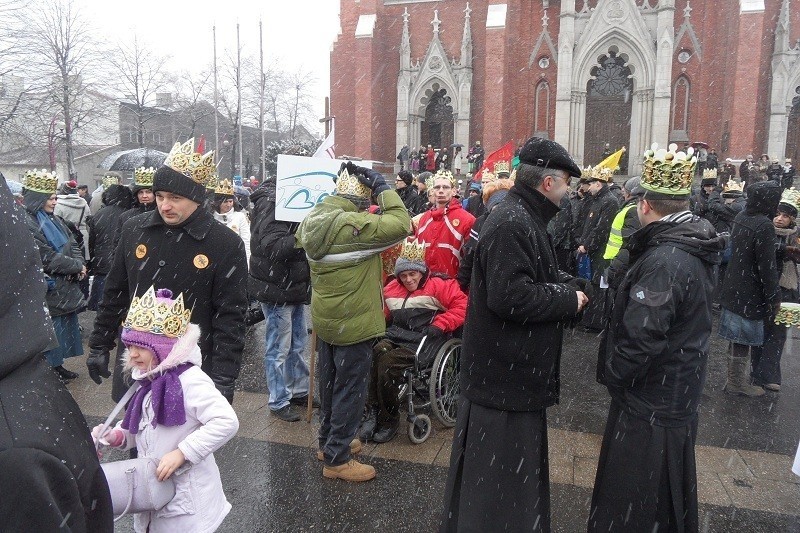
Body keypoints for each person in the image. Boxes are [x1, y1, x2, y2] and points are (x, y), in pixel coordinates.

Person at [440, 137, 588, 532]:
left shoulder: (519, 215)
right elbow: (511, 296)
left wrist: (565, 282)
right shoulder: (513, 220)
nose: (569, 192)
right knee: (497, 493)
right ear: (547, 183)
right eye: (566, 184)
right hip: (504, 378)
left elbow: (520, 273)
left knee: (501, 487)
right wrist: (567, 301)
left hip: (505, 376)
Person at [588, 143, 726, 532]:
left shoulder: (664, 260)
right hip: (675, 392)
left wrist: (615, 374)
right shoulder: (690, 243)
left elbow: (641, 338)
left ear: (644, 206)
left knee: (635, 501)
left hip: (651, 401)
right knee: (663, 501)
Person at [87, 138, 248, 405]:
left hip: (189, 368)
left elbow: (230, 317)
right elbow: (116, 293)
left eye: (175, 198)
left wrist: (224, 378)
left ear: (197, 198)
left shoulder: (225, 243)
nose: (164, 206)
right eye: (160, 196)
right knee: (136, 439)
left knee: (181, 444)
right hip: (137, 363)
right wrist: (99, 343)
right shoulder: (134, 229)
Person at [0, 173, 113, 532]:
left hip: (62, 287)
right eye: (46, 196)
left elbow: (68, 244)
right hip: (57, 286)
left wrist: (76, 262)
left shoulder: (18, 455)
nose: (52, 200)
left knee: (62, 336)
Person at [297, 162, 410, 482]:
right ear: (362, 204)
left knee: (330, 383)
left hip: (327, 318)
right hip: (354, 320)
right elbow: (401, 223)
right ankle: (338, 458)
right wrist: (383, 187)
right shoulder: (355, 227)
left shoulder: (314, 219)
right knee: (351, 390)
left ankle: (329, 441)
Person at [91, 287, 239, 532]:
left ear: (163, 348)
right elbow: (142, 425)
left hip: (187, 503)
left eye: (142, 346)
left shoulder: (190, 381)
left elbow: (226, 421)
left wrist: (182, 453)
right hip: (154, 497)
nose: (133, 353)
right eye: (129, 346)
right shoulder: (148, 380)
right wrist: (118, 435)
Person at [360, 238, 467, 443]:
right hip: (398, 337)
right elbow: (382, 316)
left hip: (426, 341)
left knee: (387, 364)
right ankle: (373, 411)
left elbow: (462, 306)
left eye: (412, 274)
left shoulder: (440, 285)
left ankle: (389, 420)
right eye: (403, 275)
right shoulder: (392, 289)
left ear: (421, 271)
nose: (408, 279)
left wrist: (440, 325)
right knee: (375, 352)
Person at [249, 177, 313, 423]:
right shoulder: (271, 202)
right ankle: (278, 399)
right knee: (278, 347)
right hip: (277, 286)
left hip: (293, 285)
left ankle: (298, 391)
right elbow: (274, 246)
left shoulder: (294, 198)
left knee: (297, 342)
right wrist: (306, 235)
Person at [718, 180, 783, 397]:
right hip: (750, 290)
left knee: (736, 337)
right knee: (743, 338)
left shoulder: (742, 216)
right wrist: (774, 296)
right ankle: (737, 383)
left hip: (734, 284)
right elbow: (767, 266)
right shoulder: (763, 225)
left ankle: (733, 380)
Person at [22, 169, 87, 383]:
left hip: (63, 284)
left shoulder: (54, 219)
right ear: (38, 199)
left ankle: (57, 366)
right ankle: (49, 370)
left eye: (54, 197)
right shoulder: (28, 223)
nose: (54, 201)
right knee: (51, 332)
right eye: (50, 198)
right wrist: (76, 266)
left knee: (62, 329)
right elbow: (46, 257)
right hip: (49, 286)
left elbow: (73, 243)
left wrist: (80, 264)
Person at [749, 188, 800, 391]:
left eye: (785, 216)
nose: (779, 219)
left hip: (787, 289)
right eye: (778, 214)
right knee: (760, 332)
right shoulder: (765, 230)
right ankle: (757, 373)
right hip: (764, 288)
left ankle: (768, 375)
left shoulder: (795, 237)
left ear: (792, 219)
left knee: (777, 335)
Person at [576, 166, 620, 331]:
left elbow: (602, 229)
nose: (590, 186)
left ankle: (595, 322)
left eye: (592, 183)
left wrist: (587, 245)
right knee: (591, 284)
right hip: (592, 251)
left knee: (598, 287)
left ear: (599, 184)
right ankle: (589, 319)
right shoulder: (598, 200)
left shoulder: (609, 201)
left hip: (601, 253)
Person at [458, 171, 515, 291]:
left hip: (512, 286)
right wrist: (460, 285)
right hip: (484, 284)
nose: (501, 212)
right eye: (497, 207)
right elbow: (470, 258)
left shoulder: (519, 224)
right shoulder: (481, 223)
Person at [414, 169, 476, 278]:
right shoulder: (423, 219)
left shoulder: (467, 220)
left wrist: (461, 283)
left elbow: (471, 259)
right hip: (426, 286)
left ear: (454, 191)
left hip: (454, 287)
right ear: (432, 191)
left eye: (445, 187)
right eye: (437, 187)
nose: (440, 191)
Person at [87, 183, 133, 311]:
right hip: (121, 263)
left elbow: (92, 242)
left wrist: (94, 261)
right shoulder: (128, 215)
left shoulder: (99, 214)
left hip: (102, 264)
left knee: (103, 306)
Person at [602, 176, 643, 291]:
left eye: (624, 192)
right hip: (614, 258)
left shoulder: (633, 210)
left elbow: (630, 243)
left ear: (630, 193)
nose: (623, 195)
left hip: (618, 262)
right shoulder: (631, 208)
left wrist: (615, 269)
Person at [212, 178, 251, 262]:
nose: (229, 204)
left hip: (234, 259)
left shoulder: (240, 217)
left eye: (230, 201)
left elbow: (246, 240)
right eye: (225, 202)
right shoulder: (211, 217)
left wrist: (247, 262)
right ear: (218, 202)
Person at [55, 179, 91, 261]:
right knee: (83, 261)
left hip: (65, 237)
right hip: (83, 236)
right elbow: (89, 219)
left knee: (69, 262)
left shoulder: (58, 204)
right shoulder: (84, 203)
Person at [118, 166, 157, 231]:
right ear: (136, 195)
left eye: (148, 192)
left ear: (155, 194)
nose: (144, 196)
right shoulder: (125, 216)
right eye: (141, 192)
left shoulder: (163, 215)